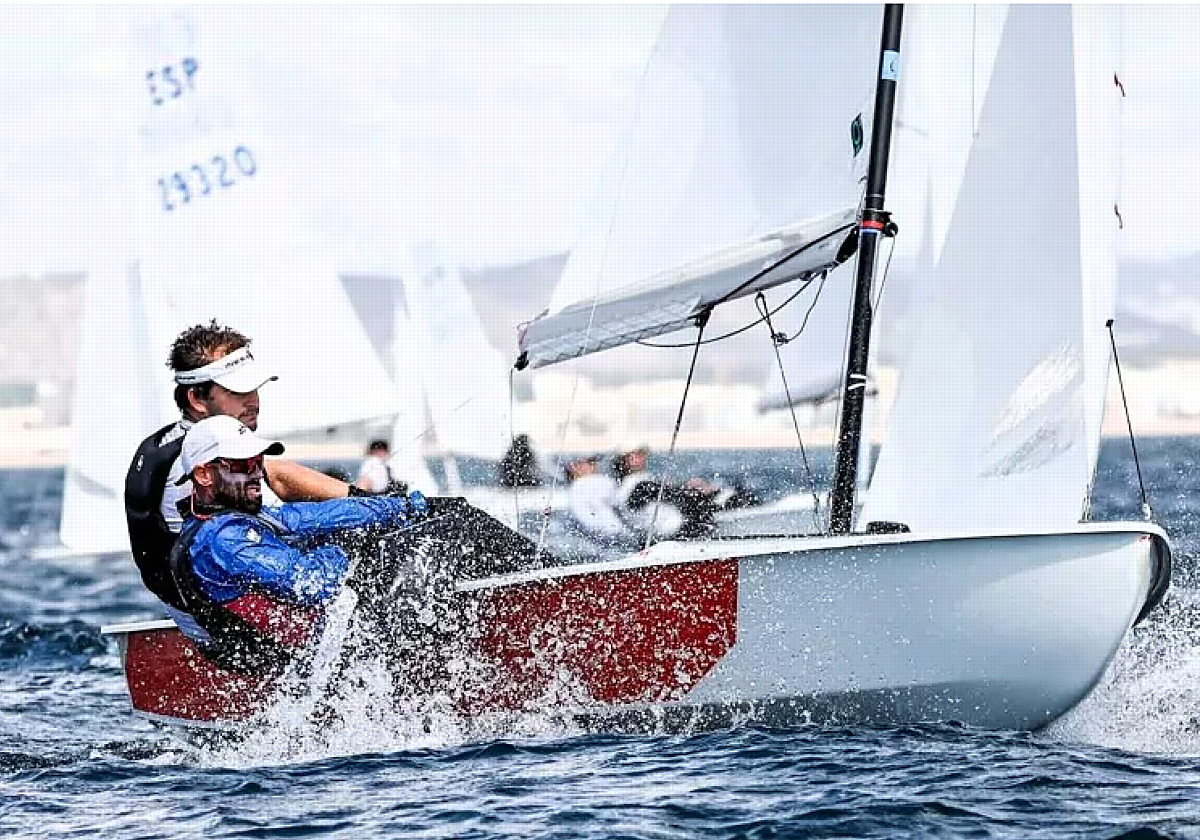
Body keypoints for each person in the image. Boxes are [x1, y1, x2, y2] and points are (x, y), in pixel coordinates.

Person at [124, 321, 373, 635]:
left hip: (226, 607)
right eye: (237, 391)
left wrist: (368, 503)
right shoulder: (196, 467)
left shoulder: (188, 444)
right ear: (198, 400)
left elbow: (278, 474)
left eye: (254, 388)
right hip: (231, 632)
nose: (253, 400)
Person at [167, 415, 427, 674]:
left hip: (312, 648)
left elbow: (323, 514)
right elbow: (312, 583)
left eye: (258, 462)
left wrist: (404, 507)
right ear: (203, 475)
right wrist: (347, 545)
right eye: (243, 465)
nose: (257, 472)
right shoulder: (224, 540)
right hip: (290, 669)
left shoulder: (244, 516)